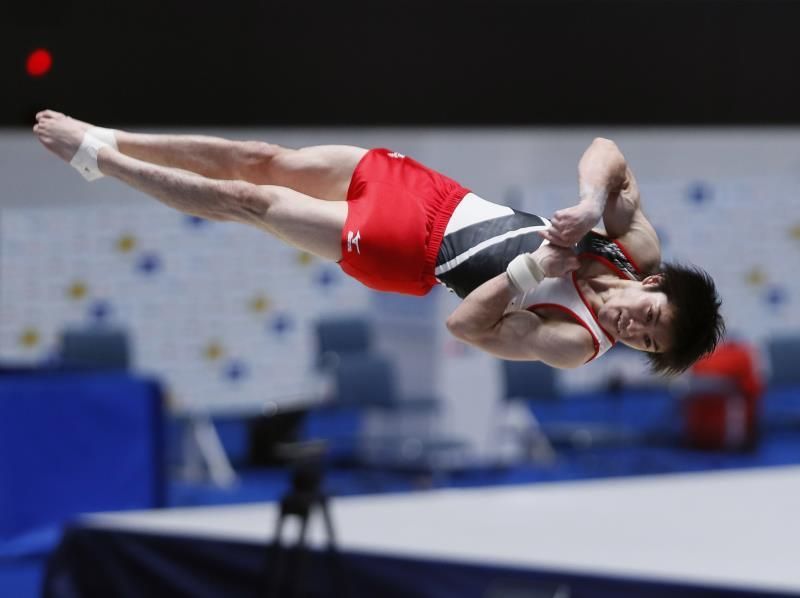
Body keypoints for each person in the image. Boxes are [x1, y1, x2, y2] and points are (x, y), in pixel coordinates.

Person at [33, 110, 724, 373]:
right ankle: (110, 136)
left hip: (410, 254)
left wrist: (529, 271)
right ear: (654, 286)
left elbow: (465, 326)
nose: (633, 330)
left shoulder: (575, 344)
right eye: (651, 320)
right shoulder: (637, 249)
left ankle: (102, 163)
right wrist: (587, 202)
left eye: (645, 345)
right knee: (260, 157)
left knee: (254, 202)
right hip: (433, 192)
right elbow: (608, 150)